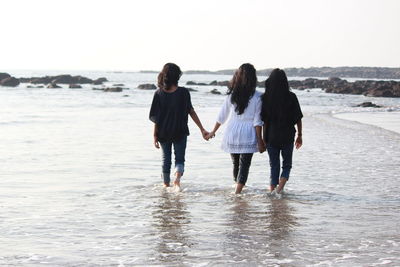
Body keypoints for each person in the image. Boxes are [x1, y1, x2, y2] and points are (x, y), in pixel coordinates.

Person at [207, 63, 265, 194]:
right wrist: (260, 140)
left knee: (236, 164)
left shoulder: (232, 94)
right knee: (245, 165)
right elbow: (257, 121)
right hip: (248, 133)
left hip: (232, 131)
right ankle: (237, 192)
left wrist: (212, 132)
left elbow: (222, 116)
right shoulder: (258, 96)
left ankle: (237, 188)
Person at [149, 63, 209, 188]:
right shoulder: (184, 92)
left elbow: (156, 118)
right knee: (180, 159)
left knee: (166, 159)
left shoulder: (158, 93)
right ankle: (177, 178)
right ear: (177, 76)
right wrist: (201, 129)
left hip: (164, 132)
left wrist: (155, 135)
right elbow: (191, 111)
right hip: (180, 131)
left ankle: (166, 185)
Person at [261, 68, 303, 194]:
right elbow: (298, 118)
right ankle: (279, 190)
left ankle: (273, 189)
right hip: (287, 135)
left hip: (271, 136)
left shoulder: (265, 98)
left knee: (273, 165)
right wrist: (300, 135)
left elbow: (263, 120)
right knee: (287, 165)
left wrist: (263, 139)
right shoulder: (291, 97)